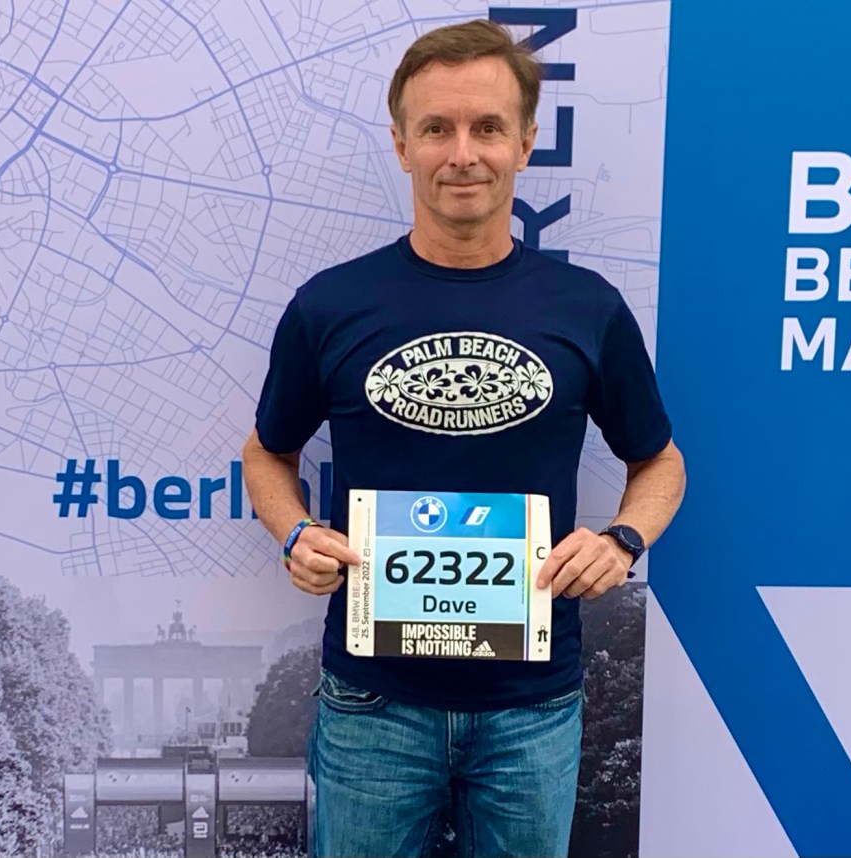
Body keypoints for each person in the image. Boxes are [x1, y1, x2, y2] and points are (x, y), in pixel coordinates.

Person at [243, 18, 685, 858]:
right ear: (402, 145)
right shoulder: (330, 305)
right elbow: (267, 451)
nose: (462, 154)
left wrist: (623, 540)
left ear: (525, 143)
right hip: (372, 704)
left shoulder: (587, 308)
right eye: (436, 129)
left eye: (487, 127)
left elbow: (658, 461)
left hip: (532, 707)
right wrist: (294, 531)